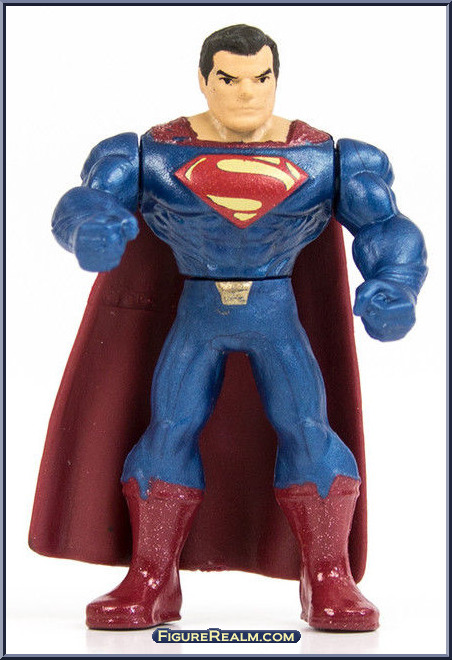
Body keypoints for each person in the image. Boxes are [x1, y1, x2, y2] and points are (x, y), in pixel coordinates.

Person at [29, 25, 427, 632]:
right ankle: (152, 576)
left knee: (308, 428)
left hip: (275, 313)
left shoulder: (326, 158)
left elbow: (387, 226)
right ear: (204, 79)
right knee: (169, 428)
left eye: (261, 79)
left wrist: (395, 284)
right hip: (198, 313)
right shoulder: (152, 155)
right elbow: (85, 199)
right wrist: (89, 228)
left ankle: (327, 575)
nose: (247, 94)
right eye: (230, 79)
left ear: (276, 79)